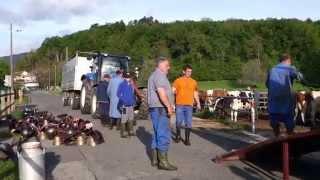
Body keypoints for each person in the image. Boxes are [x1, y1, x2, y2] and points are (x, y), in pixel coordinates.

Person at [147, 56, 177, 171]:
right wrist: (169, 107)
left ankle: (155, 160)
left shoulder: (153, 75)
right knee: (163, 134)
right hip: (160, 109)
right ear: (160, 65)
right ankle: (163, 163)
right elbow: (161, 93)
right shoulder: (159, 75)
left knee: (156, 133)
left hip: (156, 109)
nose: (168, 68)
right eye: (167, 65)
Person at [266, 54, 303, 137]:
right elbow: (300, 77)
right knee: (289, 124)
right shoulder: (290, 68)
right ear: (288, 60)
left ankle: (277, 136)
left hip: (274, 104)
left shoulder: (272, 70)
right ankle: (289, 136)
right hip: (286, 102)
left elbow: (267, 84)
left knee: (274, 124)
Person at [172, 65, 201, 146]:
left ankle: (187, 139)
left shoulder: (194, 82)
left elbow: (195, 93)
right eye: (188, 71)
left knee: (188, 122)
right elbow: (172, 91)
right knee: (178, 121)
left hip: (189, 105)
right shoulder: (177, 81)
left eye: (191, 72)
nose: (189, 73)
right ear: (183, 71)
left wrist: (198, 103)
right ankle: (178, 136)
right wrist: (171, 102)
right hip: (179, 104)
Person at [117, 73, 136, 138]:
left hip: (131, 105)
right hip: (124, 105)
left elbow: (132, 94)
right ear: (124, 78)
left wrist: (133, 102)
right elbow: (118, 94)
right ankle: (123, 133)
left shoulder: (131, 85)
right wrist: (123, 100)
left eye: (129, 77)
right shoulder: (121, 84)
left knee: (131, 117)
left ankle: (131, 131)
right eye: (127, 77)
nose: (128, 78)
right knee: (124, 118)